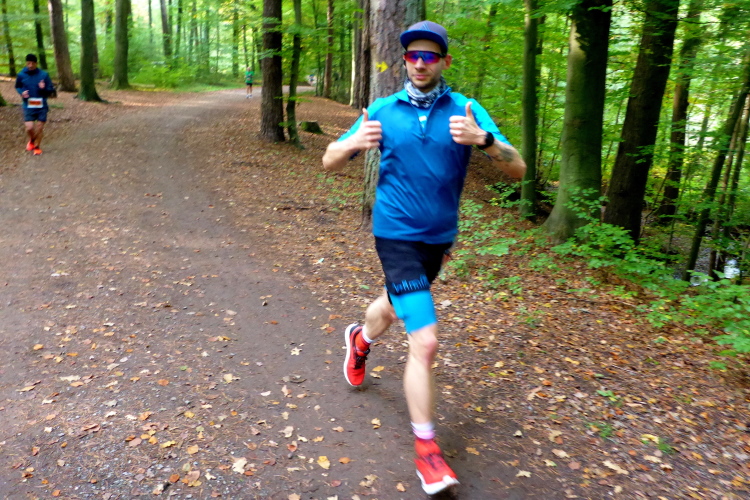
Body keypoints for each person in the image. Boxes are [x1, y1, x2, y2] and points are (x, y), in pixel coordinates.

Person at [322, 20, 526, 495]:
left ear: (444, 62)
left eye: (429, 55)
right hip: (394, 234)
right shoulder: (382, 110)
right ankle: (427, 452)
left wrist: (485, 141)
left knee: (395, 305)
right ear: (404, 61)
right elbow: (329, 160)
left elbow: (518, 169)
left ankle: (359, 339)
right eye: (413, 55)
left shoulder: (467, 110)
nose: (420, 62)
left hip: (438, 240)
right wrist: (351, 143)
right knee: (426, 340)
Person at [15, 54, 55, 156]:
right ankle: (32, 140)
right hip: (28, 104)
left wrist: (43, 88)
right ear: (26, 63)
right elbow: (18, 86)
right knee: (29, 128)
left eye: (33, 63)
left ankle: (37, 147)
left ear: (36, 63)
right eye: (28, 63)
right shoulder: (21, 74)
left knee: (39, 127)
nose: (31, 65)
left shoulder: (44, 75)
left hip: (41, 105)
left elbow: (51, 90)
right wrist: (21, 93)